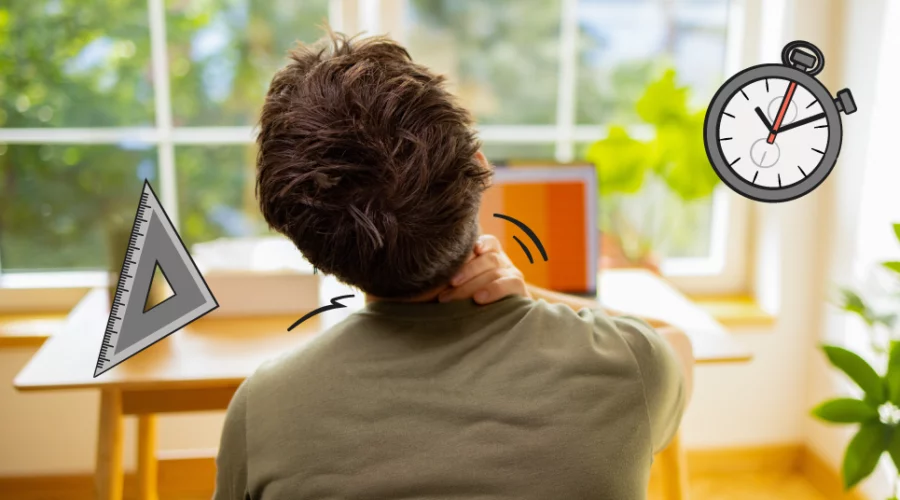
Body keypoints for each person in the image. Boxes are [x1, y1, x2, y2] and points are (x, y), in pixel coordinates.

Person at [214, 29, 693, 500]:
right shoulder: (629, 366)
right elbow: (677, 345)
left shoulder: (264, 412)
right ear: (481, 169)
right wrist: (531, 297)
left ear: (307, 241)